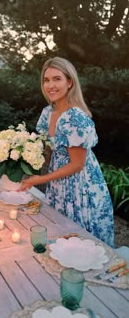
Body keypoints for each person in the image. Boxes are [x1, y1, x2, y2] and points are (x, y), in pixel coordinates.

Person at [19, 57, 114, 247]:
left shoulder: (75, 117)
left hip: (81, 187)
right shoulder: (48, 112)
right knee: (60, 237)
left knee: (82, 242)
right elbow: (47, 151)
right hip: (58, 183)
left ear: (69, 82)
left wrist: (40, 180)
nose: (50, 85)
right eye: (46, 80)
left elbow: (77, 164)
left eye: (57, 79)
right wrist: (24, 164)